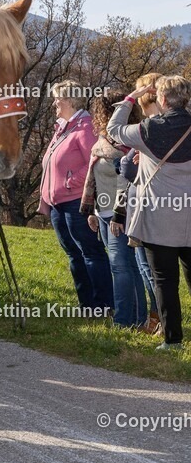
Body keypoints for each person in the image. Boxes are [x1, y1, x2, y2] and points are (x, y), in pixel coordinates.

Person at [108, 75, 191, 350]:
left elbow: (114, 129)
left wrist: (133, 95)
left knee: (165, 282)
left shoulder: (148, 130)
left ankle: (173, 339)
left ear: (162, 100)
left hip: (159, 219)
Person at [39, 80, 113, 312]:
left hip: (76, 203)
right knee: (74, 254)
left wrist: (71, 182)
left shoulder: (84, 126)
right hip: (58, 204)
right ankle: (87, 305)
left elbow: (97, 159)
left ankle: (103, 305)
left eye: (57, 99)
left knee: (90, 252)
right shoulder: (64, 127)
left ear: (70, 100)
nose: (54, 103)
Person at [80, 92, 146, 329]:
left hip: (122, 214)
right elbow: (94, 178)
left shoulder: (128, 143)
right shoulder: (102, 143)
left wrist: (118, 215)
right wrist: (92, 211)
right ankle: (138, 318)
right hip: (103, 213)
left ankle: (125, 320)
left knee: (122, 267)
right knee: (125, 266)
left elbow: (126, 183)